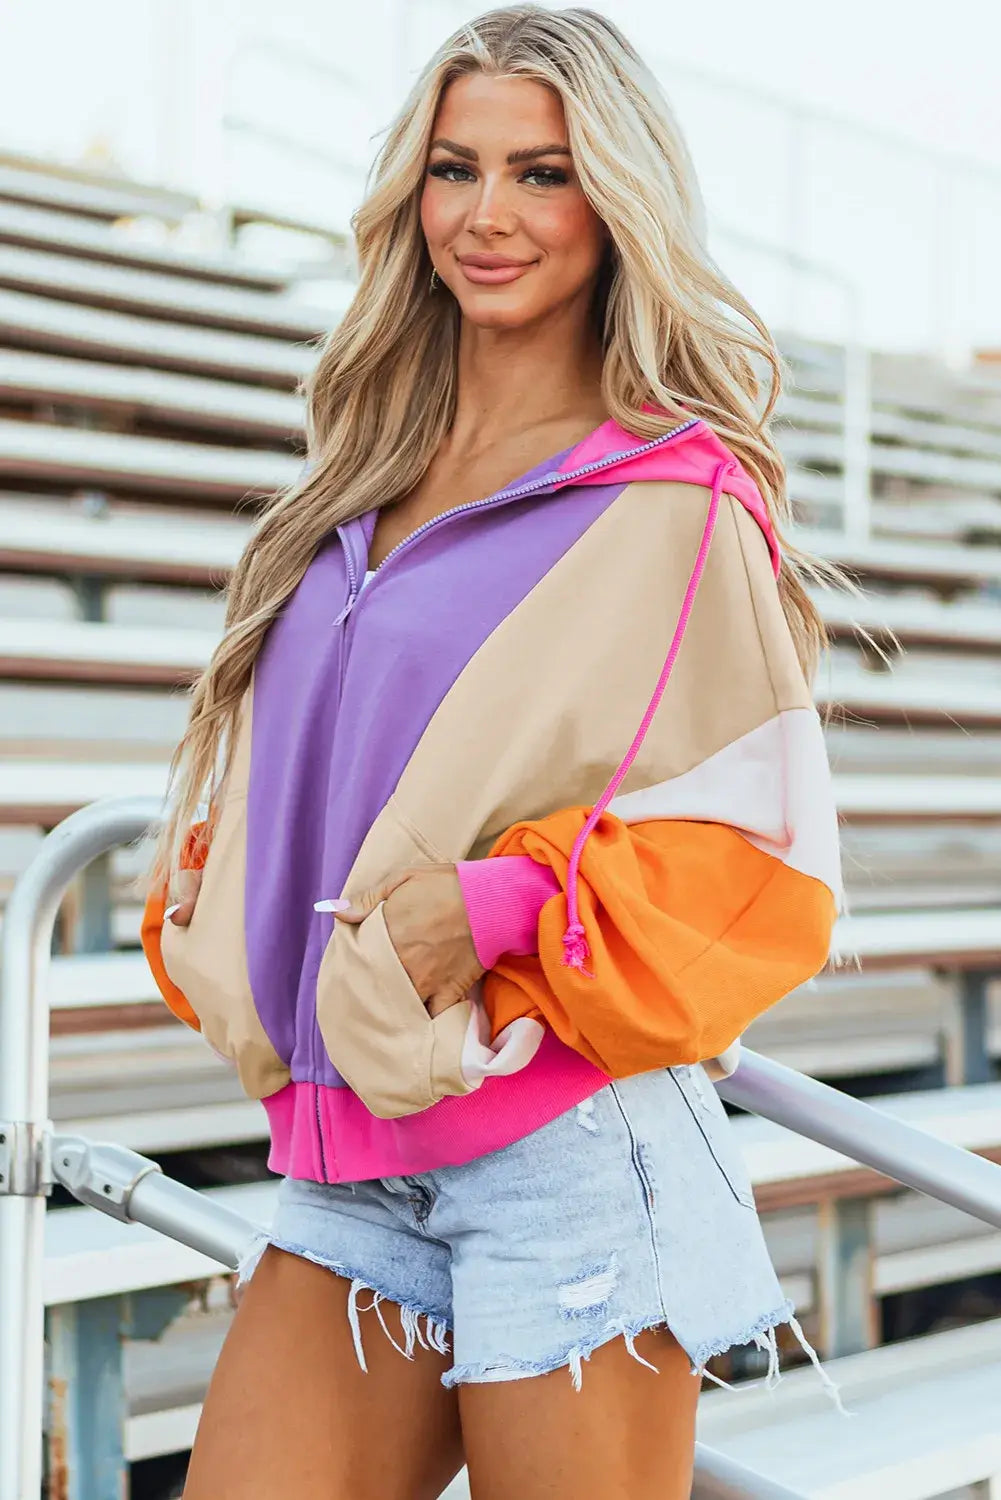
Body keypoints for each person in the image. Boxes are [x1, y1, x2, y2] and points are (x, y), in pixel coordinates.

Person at [141, 7, 844, 1497]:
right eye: (455, 168)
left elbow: (763, 851)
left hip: (566, 1155)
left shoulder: (676, 501)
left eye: (541, 173)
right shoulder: (359, 476)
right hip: (350, 1153)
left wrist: (499, 905)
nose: (486, 216)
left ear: (614, 200)